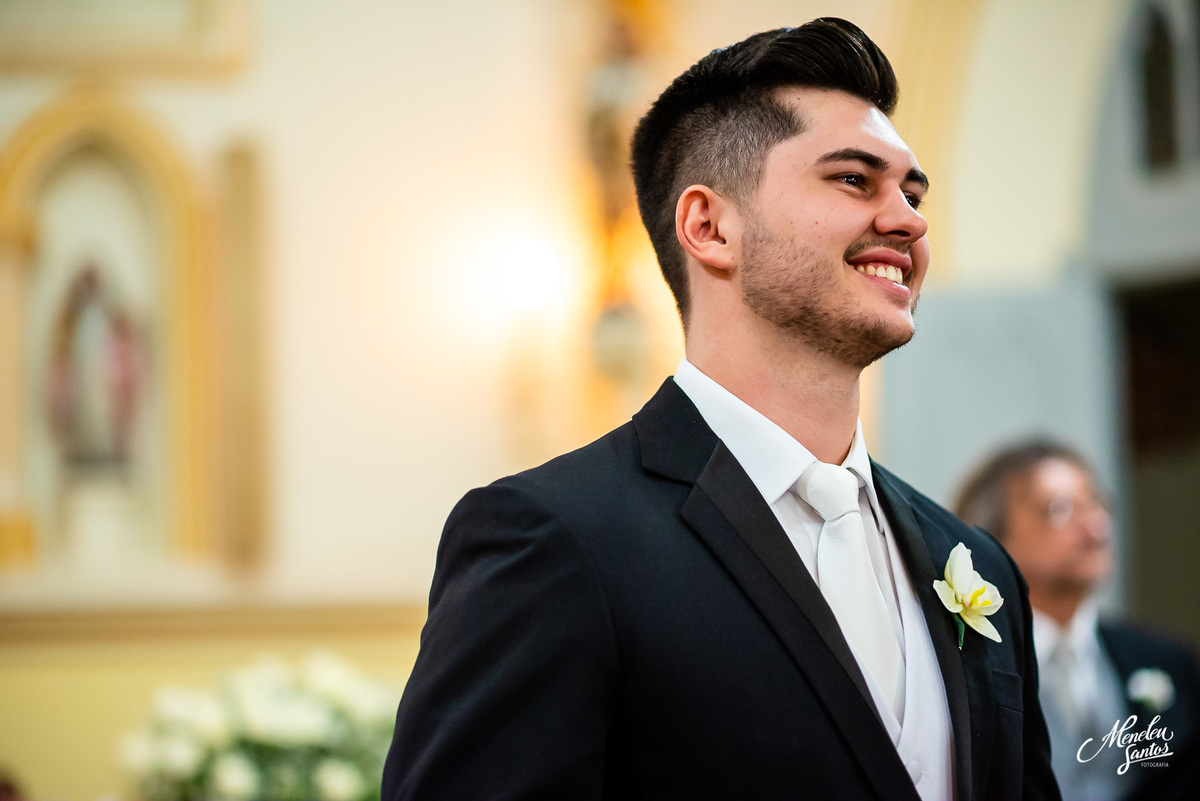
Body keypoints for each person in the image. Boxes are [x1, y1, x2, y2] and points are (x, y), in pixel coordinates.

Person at [384, 18, 1059, 801]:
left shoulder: (976, 564)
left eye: (912, 192)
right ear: (709, 227)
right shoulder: (556, 541)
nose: (909, 219)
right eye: (854, 180)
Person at [955, 440, 1200, 801]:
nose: (1095, 526)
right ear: (990, 538)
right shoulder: (967, 668)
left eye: (1097, 503)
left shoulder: (1166, 661)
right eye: (1060, 509)